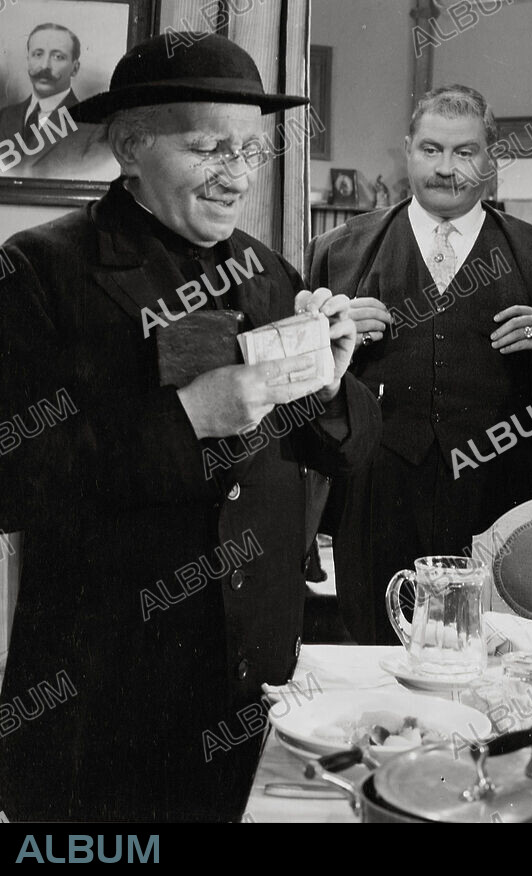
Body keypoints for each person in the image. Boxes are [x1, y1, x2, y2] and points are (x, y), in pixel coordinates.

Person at [0, 33, 381, 821]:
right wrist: (188, 418)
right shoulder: (39, 269)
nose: (237, 173)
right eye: (208, 146)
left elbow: (339, 450)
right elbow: (12, 481)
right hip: (102, 694)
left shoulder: (270, 271)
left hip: (255, 680)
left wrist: (332, 380)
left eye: (250, 148)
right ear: (130, 147)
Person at [305, 84, 532, 644]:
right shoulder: (338, 251)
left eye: (465, 152)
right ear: (408, 150)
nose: (447, 168)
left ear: (491, 159)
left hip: (501, 492)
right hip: (378, 494)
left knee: (499, 655)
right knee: (378, 653)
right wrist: (330, 341)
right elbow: (306, 392)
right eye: (431, 149)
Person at [0, 23, 81, 175]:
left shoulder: (90, 125)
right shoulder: (4, 117)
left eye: (58, 57)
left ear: (75, 68)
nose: (44, 66)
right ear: (28, 60)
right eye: (38, 54)